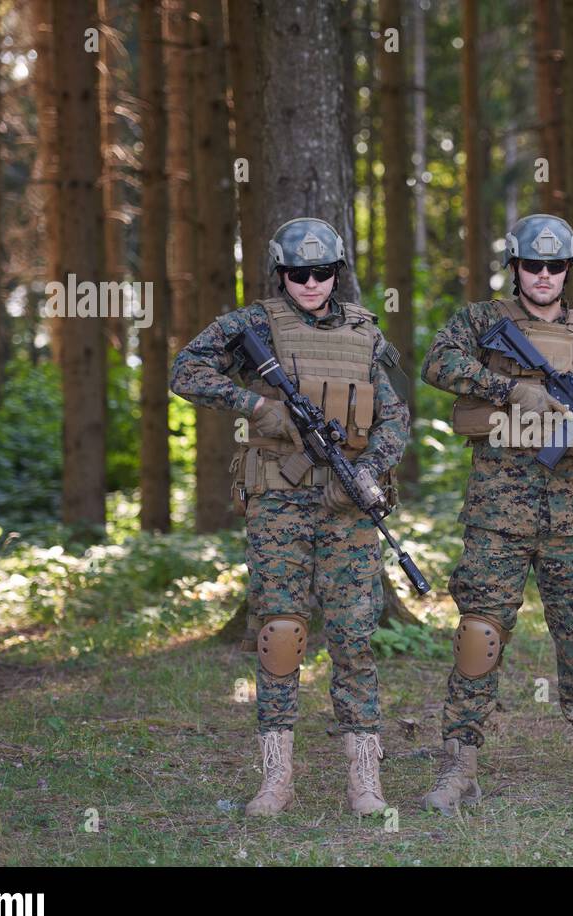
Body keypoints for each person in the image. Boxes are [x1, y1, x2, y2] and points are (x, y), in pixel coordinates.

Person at [170, 217, 410, 817]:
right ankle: (276, 780)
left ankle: (364, 779)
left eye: (321, 272)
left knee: (354, 637)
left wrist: (370, 471)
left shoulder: (366, 332)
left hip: (349, 503)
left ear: (337, 274)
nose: (309, 282)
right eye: (298, 273)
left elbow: (395, 414)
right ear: (281, 274)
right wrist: (255, 404)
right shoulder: (252, 325)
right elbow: (185, 371)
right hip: (278, 499)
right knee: (280, 635)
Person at [417, 214, 573, 815]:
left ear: (567, 269)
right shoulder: (483, 322)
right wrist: (509, 389)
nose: (543, 275)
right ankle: (459, 763)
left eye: (554, 266)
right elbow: (437, 363)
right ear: (516, 267)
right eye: (532, 265)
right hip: (497, 513)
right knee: (480, 634)